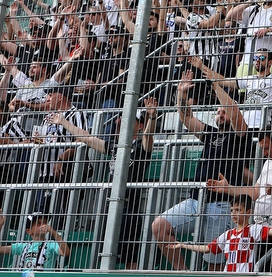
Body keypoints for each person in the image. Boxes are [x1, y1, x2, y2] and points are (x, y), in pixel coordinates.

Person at [152, 71, 254, 270]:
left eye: (222, 111)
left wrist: (216, 85)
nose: (220, 114)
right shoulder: (210, 133)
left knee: (213, 265)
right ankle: (183, 273)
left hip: (221, 205)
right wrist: (181, 95)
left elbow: (234, 111)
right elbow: (187, 118)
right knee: (159, 226)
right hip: (196, 200)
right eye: (217, 112)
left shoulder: (241, 136)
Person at [48, 97, 158, 268]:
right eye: (121, 117)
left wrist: (152, 117)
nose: (120, 121)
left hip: (129, 207)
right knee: (106, 253)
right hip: (110, 205)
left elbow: (148, 138)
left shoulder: (141, 147)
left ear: (140, 125)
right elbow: (87, 138)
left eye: (130, 119)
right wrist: (63, 122)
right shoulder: (116, 146)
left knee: (129, 257)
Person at [168, 195, 272, 273]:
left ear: (248, 212)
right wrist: (182, 245)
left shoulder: (253, 229)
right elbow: (207, 248)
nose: (233, 213)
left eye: (238, 210)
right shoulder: (227, 235)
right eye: (232, 210)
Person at [206, 124, 272, 227]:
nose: (264, 153)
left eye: (267, 148)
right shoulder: (268, 162)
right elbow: (255, 192)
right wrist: (227, 188)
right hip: (261, 229)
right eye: (262, 149)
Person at [0, 212, 68, 269]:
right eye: (38, 223)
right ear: (28, 231)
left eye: (44, 222)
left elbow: (65, 252)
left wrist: (52, 231)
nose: (43, 225)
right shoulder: (24, 246)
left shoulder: (51, 244)